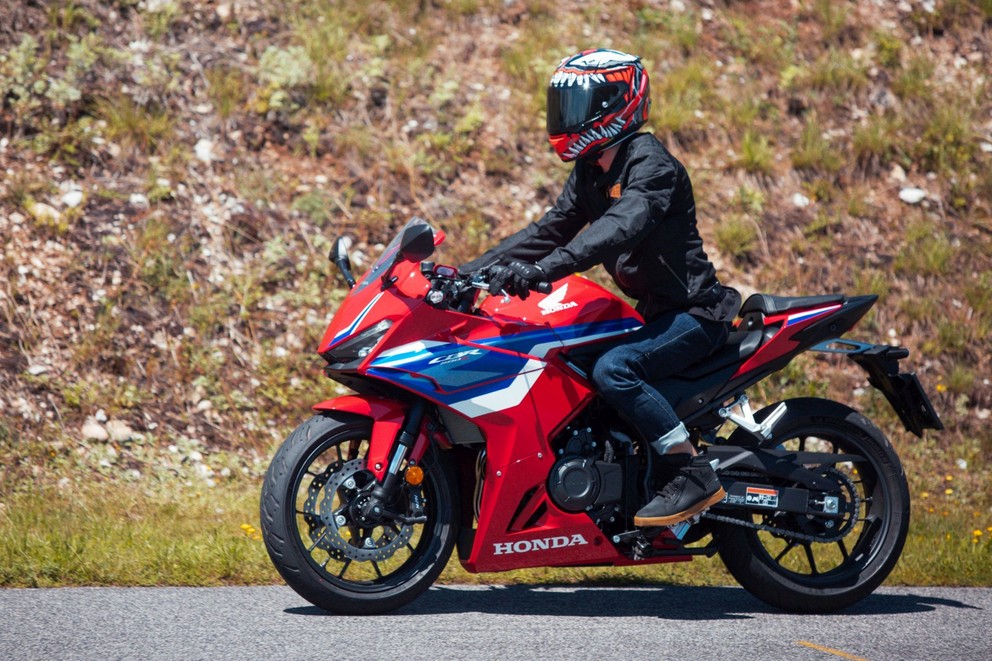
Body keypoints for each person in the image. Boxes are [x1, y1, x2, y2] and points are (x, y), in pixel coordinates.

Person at [460, 48, 741, 527]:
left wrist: (546, 270)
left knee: (616, 369)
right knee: (562, 363)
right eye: (562, 106)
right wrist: (468, 272)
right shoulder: (591, 170)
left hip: (697, 315)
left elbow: (619, 227)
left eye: (578, 106)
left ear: (617, 104)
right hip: (655, 314)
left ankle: (689, 470)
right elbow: (547, 230)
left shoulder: (651, 164)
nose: (567, 118)